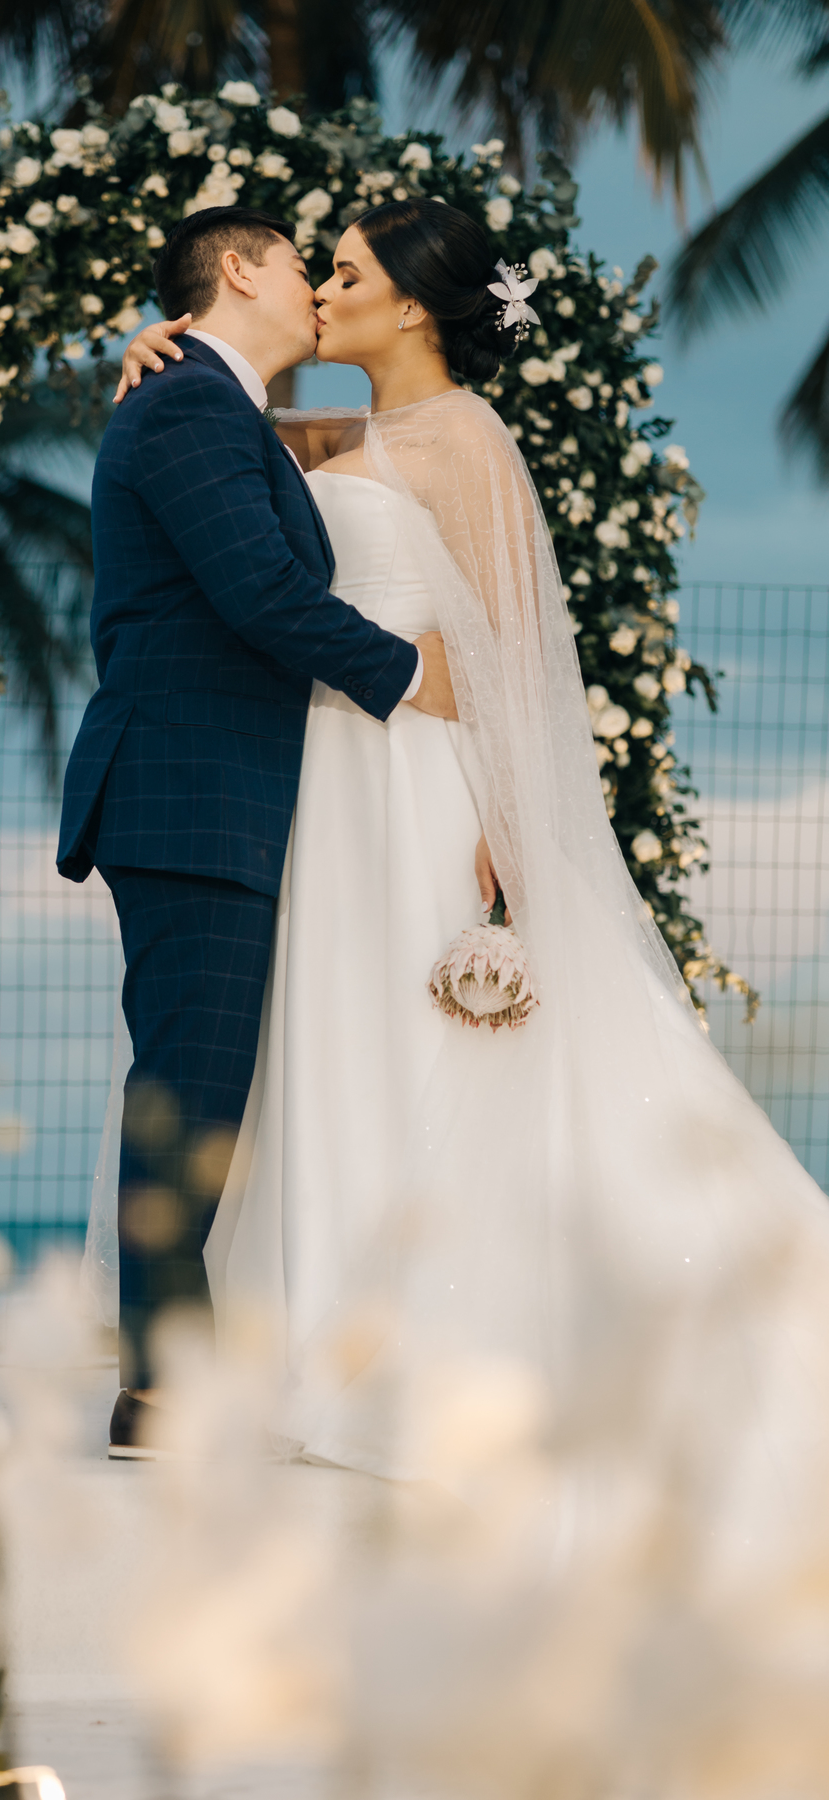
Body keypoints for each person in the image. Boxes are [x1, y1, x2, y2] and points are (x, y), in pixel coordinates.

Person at [100, 195, 829, 1529]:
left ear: (415, 306)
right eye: (315, 267)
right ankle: (321, 1330)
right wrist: (164, 348)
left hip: (411, 780)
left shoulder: (470, 439)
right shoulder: (326, 427)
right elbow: (223, 487)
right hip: (316, 784)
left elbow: (504, 653)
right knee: (317, 1048)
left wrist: (503, 829)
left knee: (409, 1043)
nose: (324, 285)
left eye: (351, 270)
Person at [56, 206, 459, 1458]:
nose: (316, 284)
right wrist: (409, 677)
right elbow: (260, 591)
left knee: (203, 1084)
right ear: (239, 270)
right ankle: (162, 1392)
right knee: (188, 1092)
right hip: (188, 791)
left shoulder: (213, 403)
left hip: (213, 791)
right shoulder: (188, 408)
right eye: (300, 262)